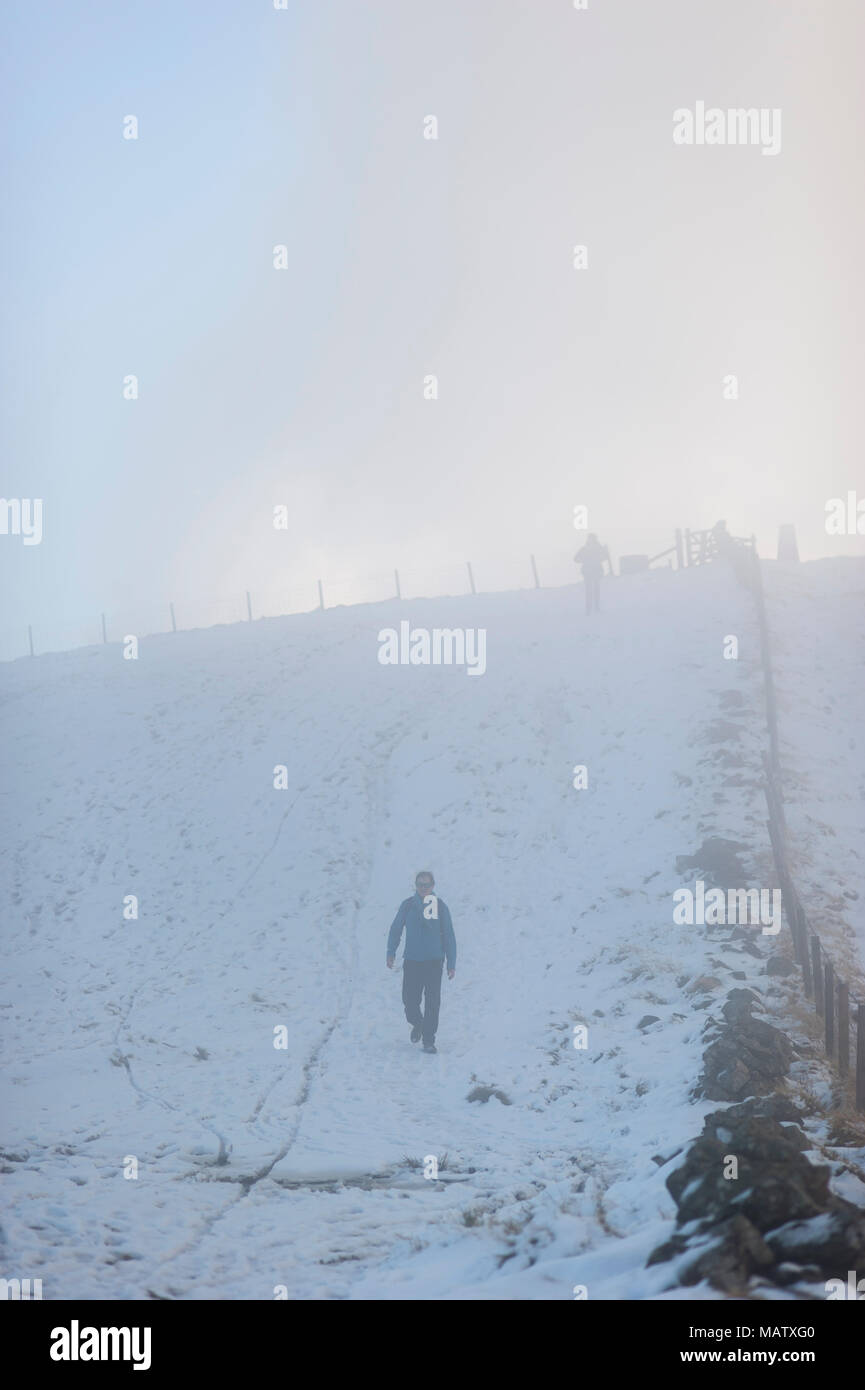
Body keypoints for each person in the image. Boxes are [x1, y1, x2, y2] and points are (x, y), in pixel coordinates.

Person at [386, 871, 456, 1054]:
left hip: (434, 961)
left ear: (433, 886)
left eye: (427, 884)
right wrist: (391, 951)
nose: (423, 888)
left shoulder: (440, 907)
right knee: (410, 1001)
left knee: (432, 1002)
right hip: (412, 960)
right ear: (415, 885)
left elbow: (448, 935)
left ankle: (428, 1040)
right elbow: (396, 928)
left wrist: (451, 962)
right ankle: (418, 1023)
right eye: (420, 884)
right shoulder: (408, 906)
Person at [573, 533, 610, 614]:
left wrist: (601, 555)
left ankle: (594, 608)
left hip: (594, 571)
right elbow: (576, 559)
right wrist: (585, 559)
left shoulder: (594, 548)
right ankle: (590, 608)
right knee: (590, 590)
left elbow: (605, 557)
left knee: (594, 590)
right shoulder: (588, 548)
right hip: (590, 572)